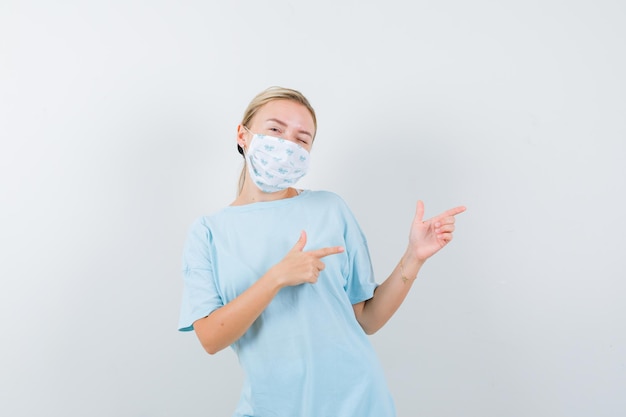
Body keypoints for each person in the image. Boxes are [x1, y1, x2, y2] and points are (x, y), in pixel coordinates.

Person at [178, 86, 466, 417]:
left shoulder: (329, 209)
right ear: (243, 134)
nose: (288, 144)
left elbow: (367, 320)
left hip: (359, 401)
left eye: (302, 139)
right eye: (275, 129)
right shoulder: (209, 233)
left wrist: (413, 256)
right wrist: (275, 278)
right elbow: (210, 339)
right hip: (272, 407)